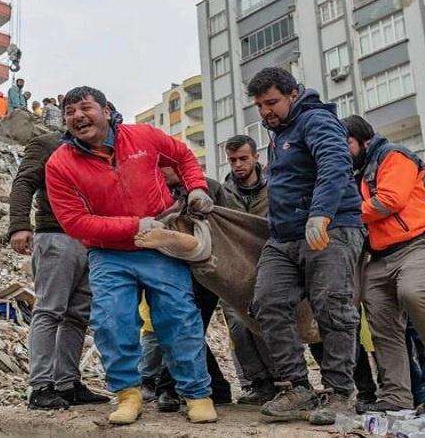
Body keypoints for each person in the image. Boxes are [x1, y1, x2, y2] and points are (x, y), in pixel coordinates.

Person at [45, 86, 217, 425]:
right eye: (70, 112)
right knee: (112, 322)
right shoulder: (59, 164)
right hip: (109, 254)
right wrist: (134, 224)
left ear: (107, 111)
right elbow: (75, 222)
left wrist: (197, 186)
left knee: (178, 318)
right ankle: (128, 394)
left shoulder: (143, 136)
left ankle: (197, 393)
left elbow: (182, 155)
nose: (78, 116)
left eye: (85, 107)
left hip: (159, 246)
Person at [245, 67, 365, 425]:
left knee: (332, 306)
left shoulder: (316, 120)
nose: (266, 111)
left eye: (272, 102)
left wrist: (321, 213)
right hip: (284, 237)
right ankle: (297, 387)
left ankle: (340, 393)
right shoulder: (279, 133)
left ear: (293, 94)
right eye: (259, 105)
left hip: (330, 228)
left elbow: (335, 162)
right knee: (266, 300)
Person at [343, 114, 425, 413]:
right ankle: (396, 397)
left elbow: (389, 200)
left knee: (414, 292)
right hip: (380, 255)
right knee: (381, 322)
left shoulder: (393, 155)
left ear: (364, 139)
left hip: (420, 243)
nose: (342, 150)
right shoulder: (353, 170)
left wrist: (342, 213)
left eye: (347, 143)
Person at [8, 130, 109, 410]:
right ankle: (40, 386)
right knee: (50, 310)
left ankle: (67, 383)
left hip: (91, 239)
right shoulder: (46, 143)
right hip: (56, 235)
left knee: (77, 316)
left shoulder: (101, 150)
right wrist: (19, 225)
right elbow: (24, 183)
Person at [153, 167, 232, 412]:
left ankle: (168, 387)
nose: (160, 172)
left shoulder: (209, 187)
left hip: (205, 271)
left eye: (164, 166)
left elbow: (225, 225)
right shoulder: (155, 189)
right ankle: (216, 386)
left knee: (187, 329)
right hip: (170, 270)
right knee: (184, 329)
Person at [219, 135, 277, 405]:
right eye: (232, 160)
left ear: (256, 157)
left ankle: (282, 380)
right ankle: (258, 383)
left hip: (272, 264)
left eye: (243, 158)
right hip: (235, 269)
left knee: (268, 322)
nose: (238, 165)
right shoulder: (222, 193)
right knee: (238, 325)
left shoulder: (275, 187)